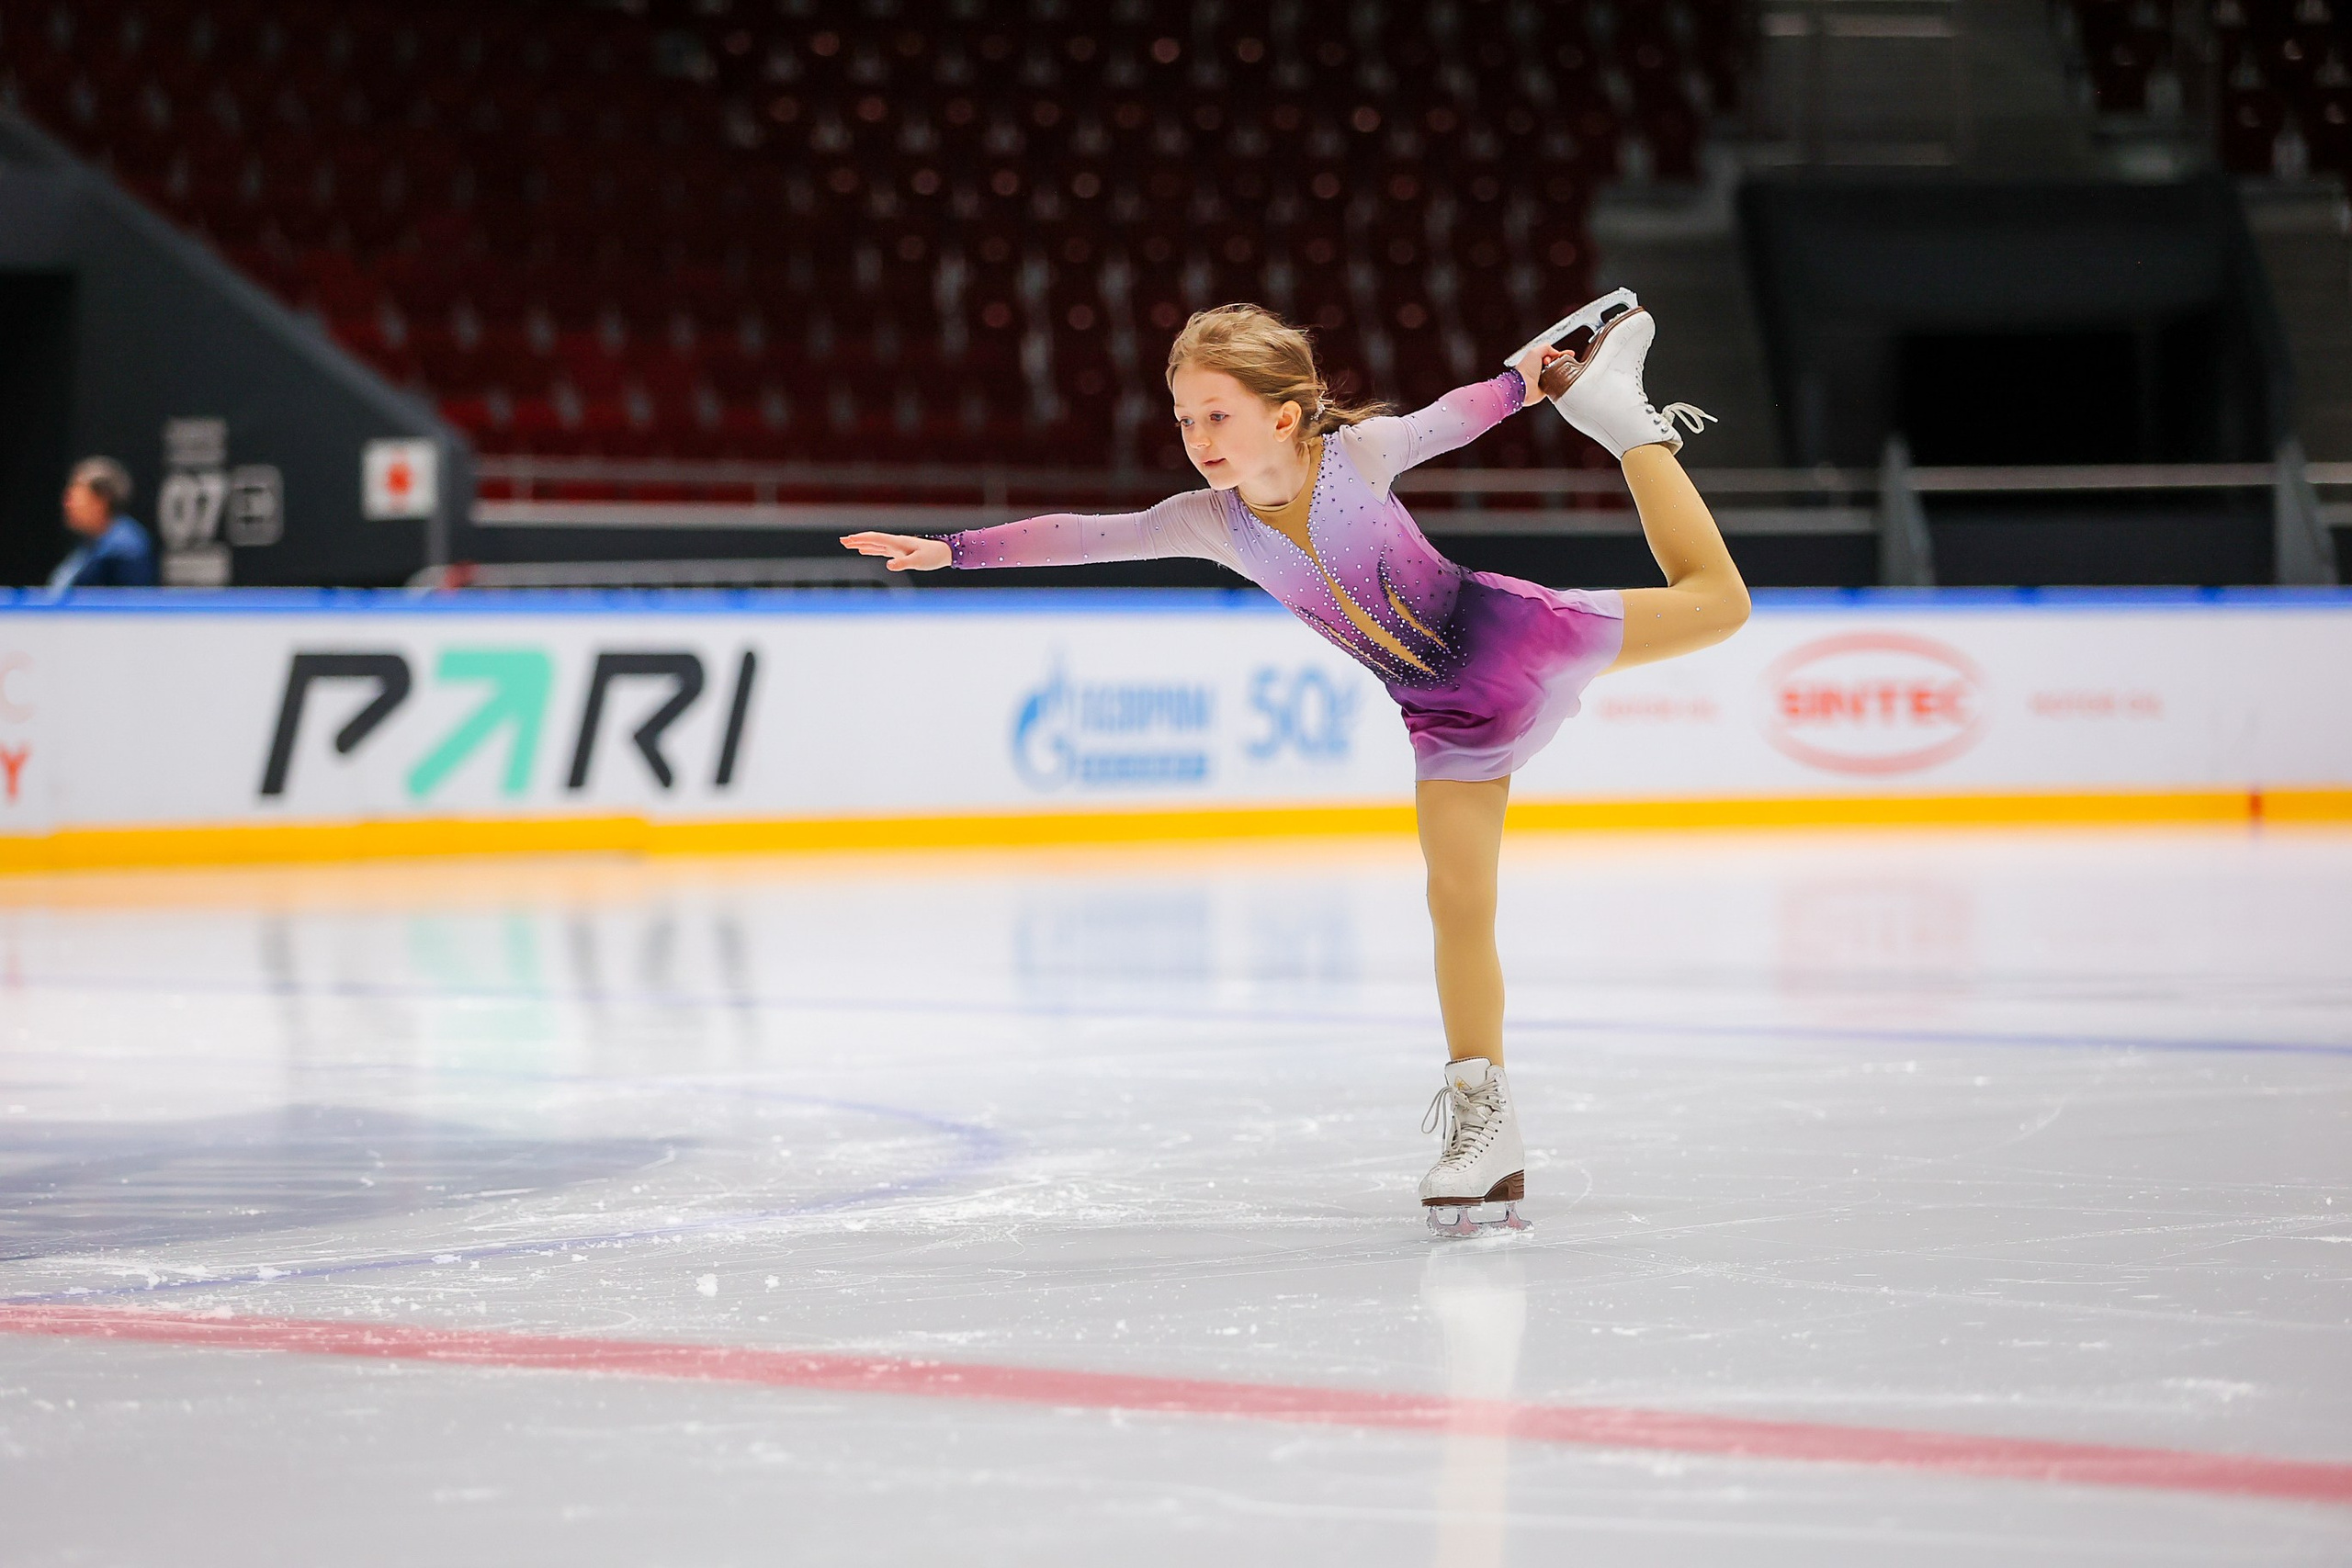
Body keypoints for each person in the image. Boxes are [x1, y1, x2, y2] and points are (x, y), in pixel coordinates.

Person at [843, 298, 1749, 1237]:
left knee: (1720, 605)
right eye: (1184, 420)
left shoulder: (1359, 457)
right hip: (1442, 717)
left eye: (1216, 414)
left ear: (1282, 416)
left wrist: (1527, 383)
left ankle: (1625, 420)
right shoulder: (1210, 522)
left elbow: (1459, 411)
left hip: (1513, 637)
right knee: (1455, 900)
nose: (1198, 438)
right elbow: (1085, 534)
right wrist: (952, 551)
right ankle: (1486, 1123)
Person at [49, 457, 157, 591]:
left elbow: (130, 600)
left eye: (74, 499)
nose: (67, 505)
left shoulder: (125, 550)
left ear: (102, 500)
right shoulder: (88, 544)